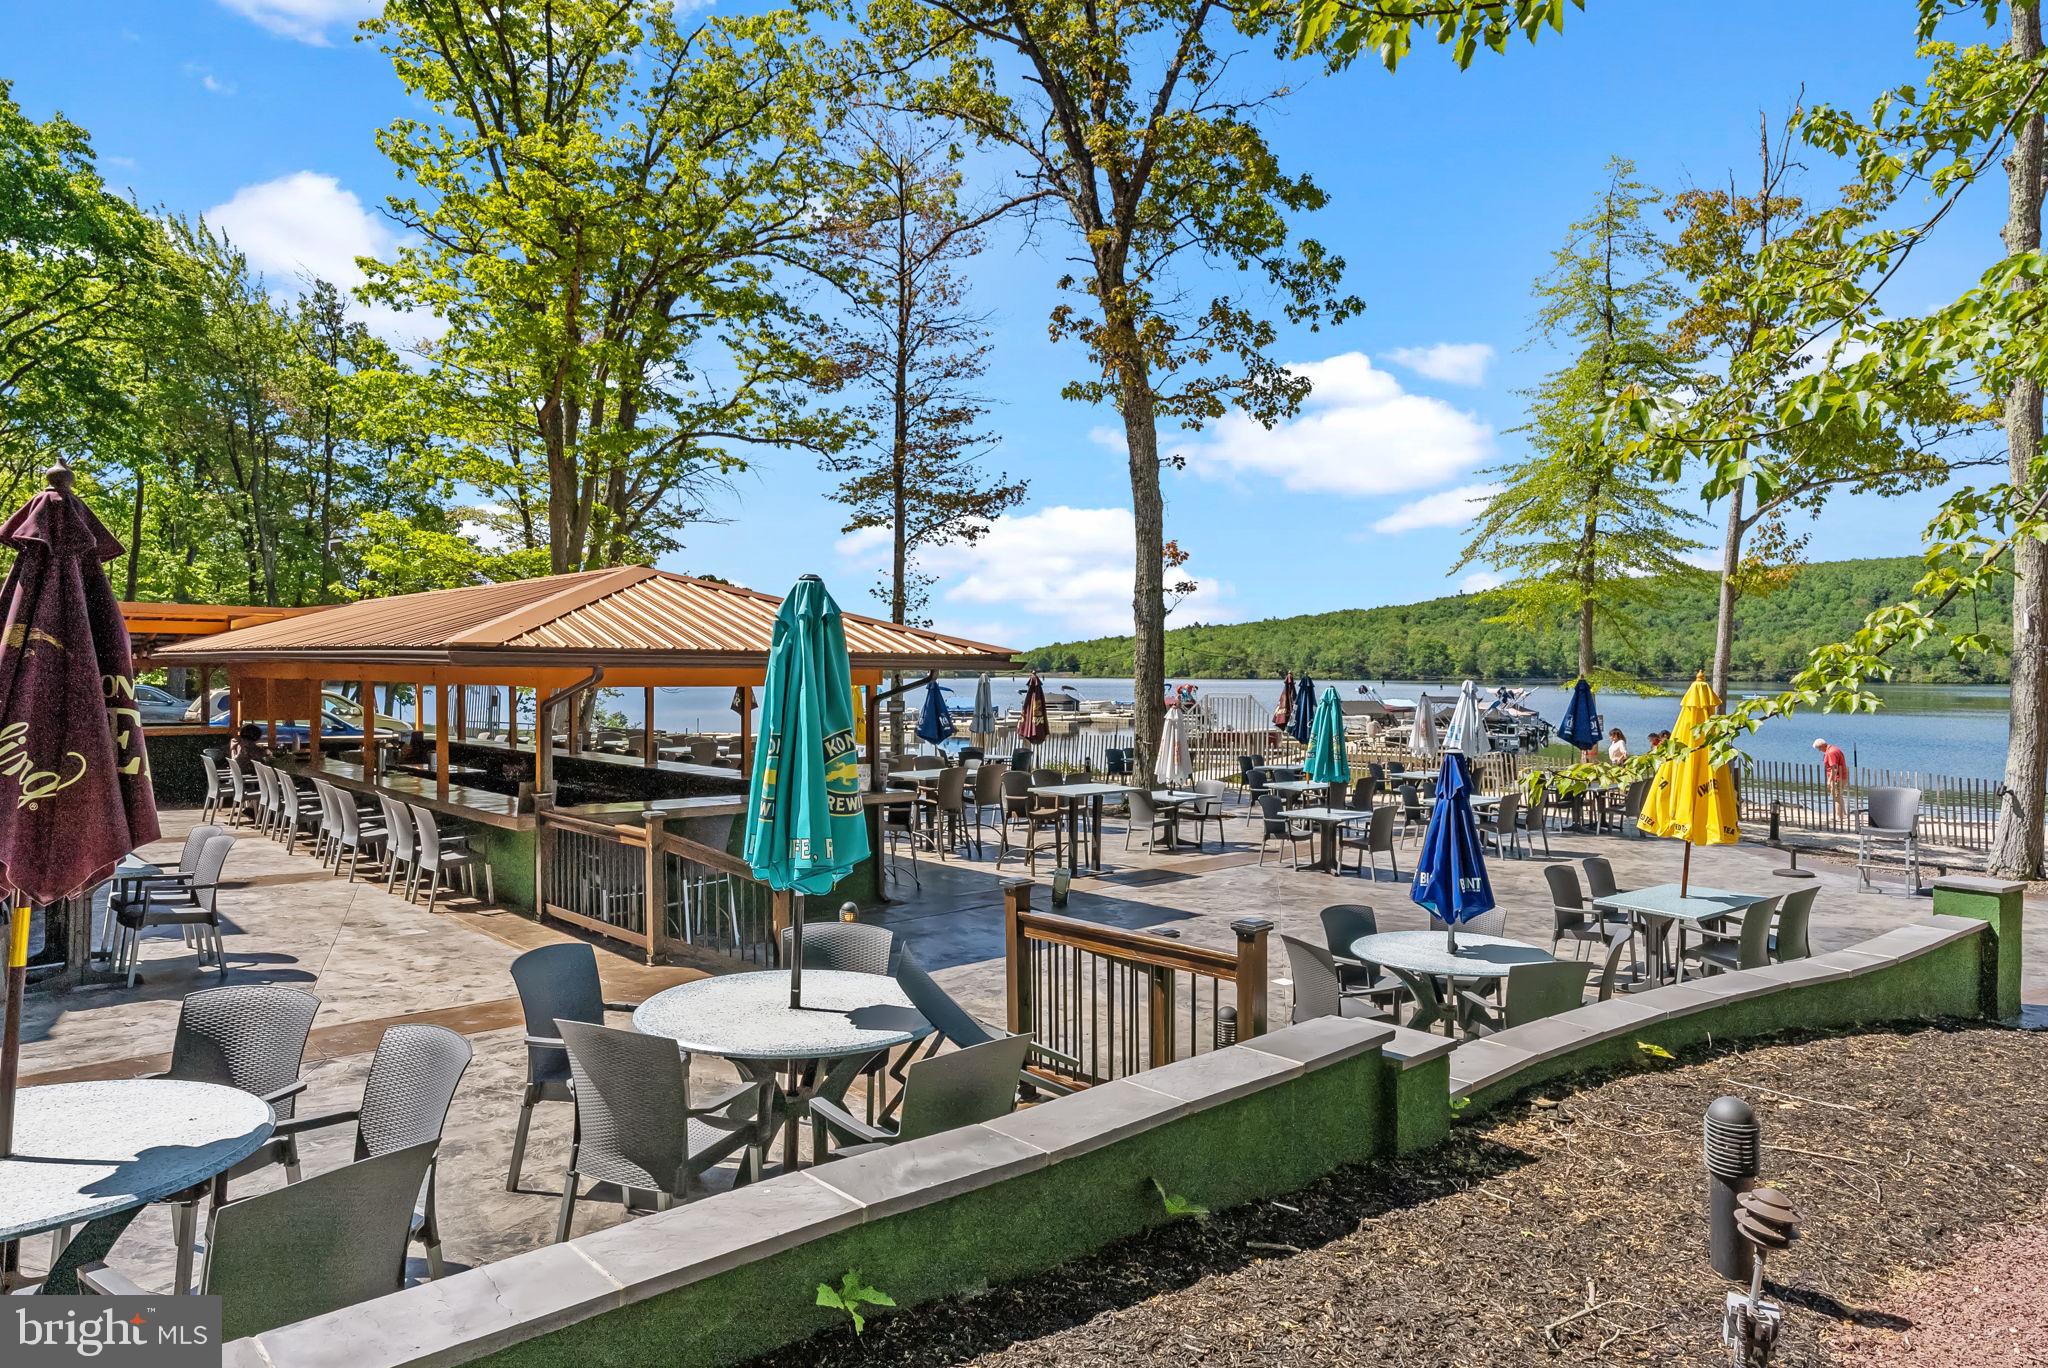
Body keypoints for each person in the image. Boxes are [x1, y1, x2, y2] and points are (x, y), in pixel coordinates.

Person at [1814, 737, 1849, 822]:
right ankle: (1843, 814)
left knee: (1836, 796)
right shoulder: (1834, 749)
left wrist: (1829, 780)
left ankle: (1838, 816)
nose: (1820, 751)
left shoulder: (1830, 752)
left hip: (1837, 778)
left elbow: (1834, 768)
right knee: (1839, 795)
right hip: (1842, 776)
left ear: (1822, 746)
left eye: (1819, 749)